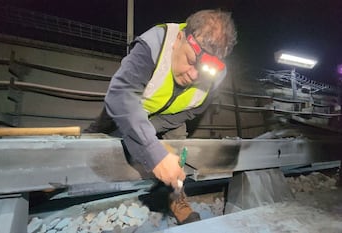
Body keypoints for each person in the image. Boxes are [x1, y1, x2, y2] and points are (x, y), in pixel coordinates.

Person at [85, 9, 237, 224]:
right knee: (94, 140)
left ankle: (175, 197)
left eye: (202, 71)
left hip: (169, 119)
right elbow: (121, 95)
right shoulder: (155, 44)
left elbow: (193, 110)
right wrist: (152, 151)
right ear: (179, 38)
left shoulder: (216, 77)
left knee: (176, 146)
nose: (194, 76)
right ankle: (48, 183)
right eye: (191, 61)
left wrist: (152, 137)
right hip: (128, 108)